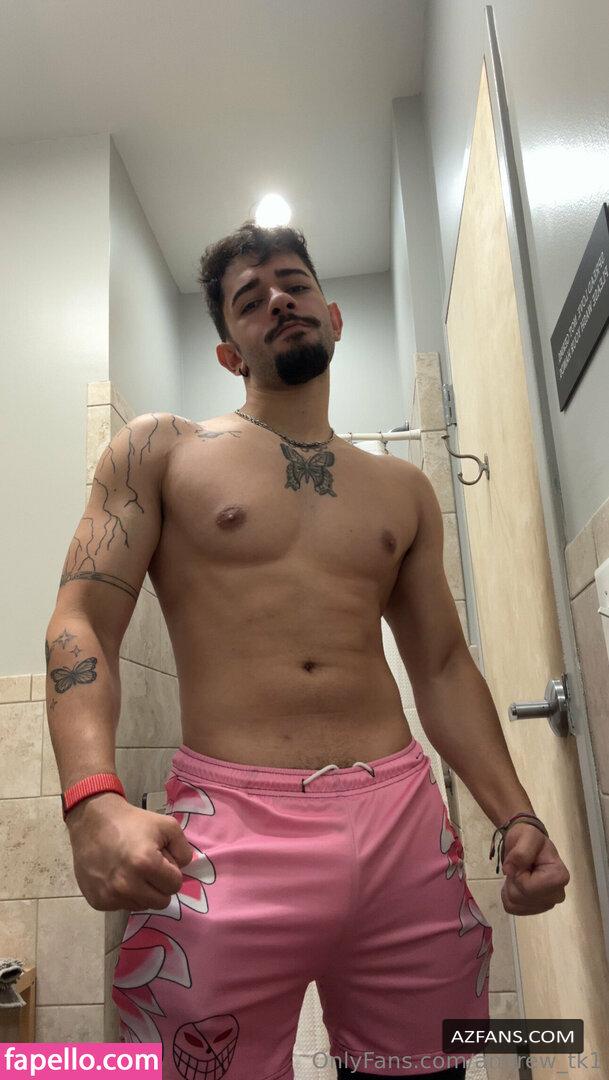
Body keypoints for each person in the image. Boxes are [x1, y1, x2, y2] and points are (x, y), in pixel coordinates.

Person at [45, 221, 570, 1079]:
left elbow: (441, 663)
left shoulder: (402, 488)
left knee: (429, 1067)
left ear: (331, 314)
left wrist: (516, 814)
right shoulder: (160, 449)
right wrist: (90, 801)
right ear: (229, 353)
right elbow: (81, 622)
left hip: (401, 823)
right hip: (228, 827)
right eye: (249, 300)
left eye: (293, 284)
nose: (277, 300)